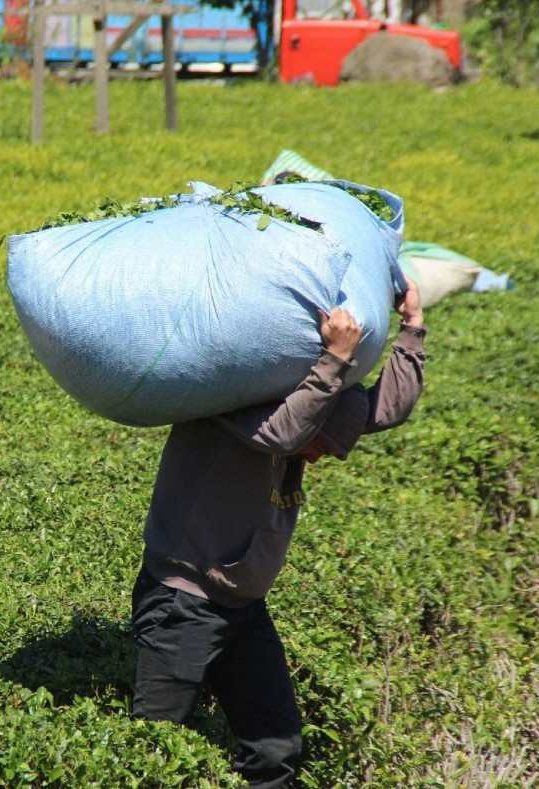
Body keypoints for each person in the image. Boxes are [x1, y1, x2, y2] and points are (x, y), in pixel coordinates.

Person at [131, 283, 426, 788]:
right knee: (152, 749)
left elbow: (385, 410)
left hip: (243, 606)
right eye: (323, 443)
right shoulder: (226, 401)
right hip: (183, 603)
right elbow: (287, 432)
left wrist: (412, 328)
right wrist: (335, 359)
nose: (322, 454)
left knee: (275, 748)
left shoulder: (304, 400)